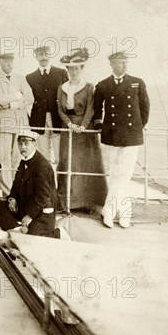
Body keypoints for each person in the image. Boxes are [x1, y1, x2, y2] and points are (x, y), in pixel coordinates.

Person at [93, 51, 150, 228]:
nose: (124, 66)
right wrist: (99, 125)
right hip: (111, 136)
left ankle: (110, 211)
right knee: (116, 175)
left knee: (124, 175)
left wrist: (135, 129)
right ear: (112, 65)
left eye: (126, 62)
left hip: (131, 136)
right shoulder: (103, 85)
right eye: (120, 63)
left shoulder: (137, 83)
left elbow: (145, 109)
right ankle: (124, 213)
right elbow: (97, 111)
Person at [0, 130, 70, 240]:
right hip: (25, 205)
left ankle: (59, 233)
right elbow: (16, 184)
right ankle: (17, 229)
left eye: (26, 144)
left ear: (34, 144)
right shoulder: (24, 160)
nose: (22, 147)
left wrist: (29, 216)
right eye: (20, 144)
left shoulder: (42, 166)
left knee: (34, 237)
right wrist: (12, 198)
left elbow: (43, 196)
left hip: (41, 211)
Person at [56, 48, 107, 211]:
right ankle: (66, 202)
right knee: (66, 162)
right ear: (67, 70)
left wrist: (83, 126)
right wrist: (70, 124)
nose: (73, 71)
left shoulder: (88, 87)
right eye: (71, 69)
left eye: (76, 68)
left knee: (85, 164)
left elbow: (91, 109)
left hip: (84, 131)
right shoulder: (62, 87)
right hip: (68, 128)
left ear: (81, 69)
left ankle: (87, 203)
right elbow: (60, 110)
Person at [0, 51, 34, 193]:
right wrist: (17, 96)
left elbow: (30, 97)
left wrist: (11, 104)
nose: (9, 64)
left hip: (20, 123)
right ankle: (7, 192)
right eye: (6, 61)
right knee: (3, 159)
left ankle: (16, 191)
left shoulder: (20, 79)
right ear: (0, 62)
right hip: (3, 123)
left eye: (11, 61)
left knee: (18, 157)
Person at [26, 46, 68, 164]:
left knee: (60, 155)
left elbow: (67, 95)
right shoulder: (30, 77)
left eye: (46, 54)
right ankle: (45, 181)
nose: (43, 57)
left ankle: (61, 181)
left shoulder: (61, 73)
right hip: (39, 120)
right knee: (43, 157)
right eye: (40, 55)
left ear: (50, 55)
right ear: (36, 57)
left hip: (58, 118)